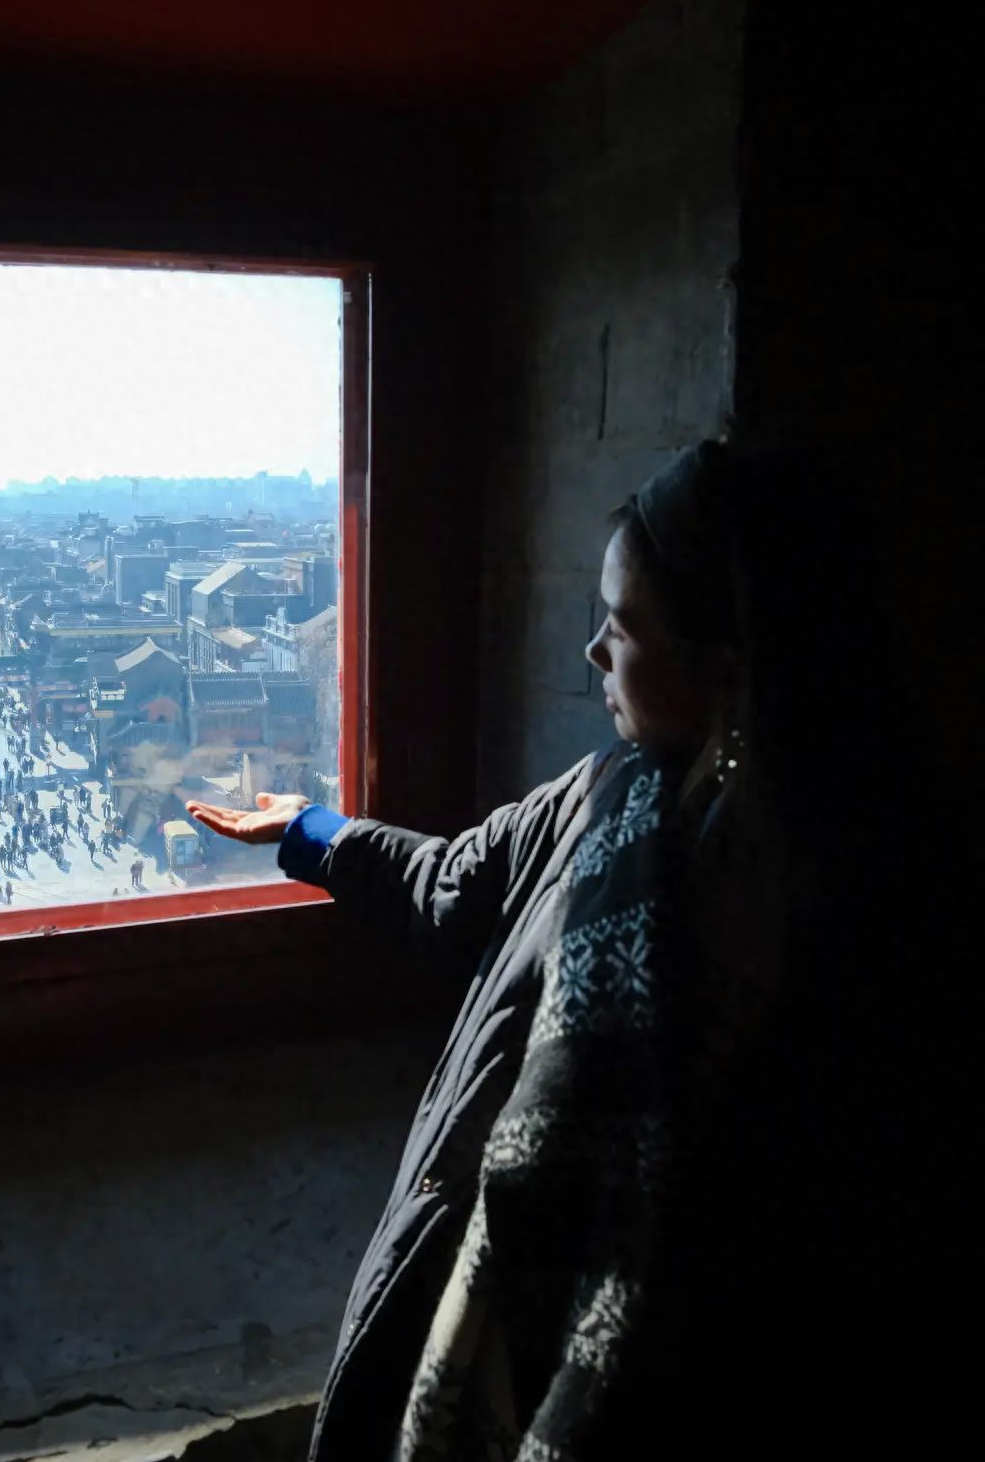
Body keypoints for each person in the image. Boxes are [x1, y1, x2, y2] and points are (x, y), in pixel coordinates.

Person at [186, 439, 908, 1462]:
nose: (588, 655)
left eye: (617, 628)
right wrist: (310, 832)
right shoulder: (600, 793)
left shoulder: (845, 929)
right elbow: (458, 881)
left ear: (725, 670)